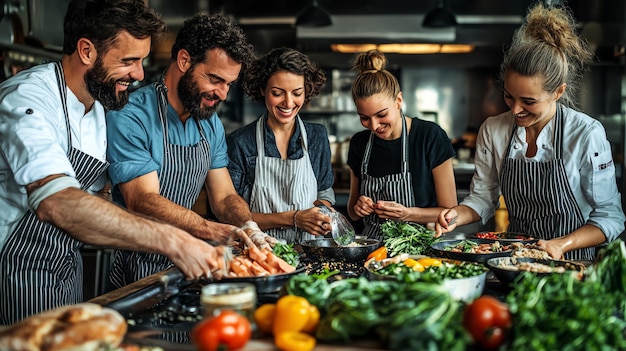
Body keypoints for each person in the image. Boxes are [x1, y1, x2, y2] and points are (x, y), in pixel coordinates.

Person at [0, 0, 231, 325]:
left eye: (141, 61)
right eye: (129, 61)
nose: (138, 74)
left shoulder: (98, 106)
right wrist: (175, 240)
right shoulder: (28, 99)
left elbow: (99, 194)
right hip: (14, 267)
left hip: (66, 266)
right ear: (86, 51)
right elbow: (57, 203)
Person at [435, 3, 625, 261]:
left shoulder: (585, 133)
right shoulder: (493, 130)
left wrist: (560, 244)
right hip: (515, 261)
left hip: (573, 263)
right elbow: (482, 199)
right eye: (509, 97)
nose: (515, 110)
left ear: (558, 92)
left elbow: (609, 217)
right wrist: (455, 215)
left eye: (528, 101)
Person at [106, 14, 277, 289]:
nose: (222, 94)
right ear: (184, 60)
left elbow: (224, 197)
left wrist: (249, 226)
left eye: (229, 85)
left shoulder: (210, 124)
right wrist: (209, 230)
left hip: (192, 263)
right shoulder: (131, 114)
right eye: (214, 79)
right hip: (139, 268)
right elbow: (142, 199)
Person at [346, 49, 458, 240]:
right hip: (372, 249)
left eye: (381, 115)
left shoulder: (429, 136)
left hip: (420, 253)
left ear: (398, 100)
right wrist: (359, 207)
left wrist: (408, 214)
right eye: (364, 118)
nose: (374, 126)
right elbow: (352, 212)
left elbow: (451, 212)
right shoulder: (359, 143)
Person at [227, 47, 335, 244]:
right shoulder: (241, 142)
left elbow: (323, 193)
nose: (288, 102)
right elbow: (232, 216)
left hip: (310, 251)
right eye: (277, 93)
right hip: (260, 253)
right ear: (262, 89)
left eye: (297, 93)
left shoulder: (317, 136)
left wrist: (322, 212)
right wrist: (295, 218)